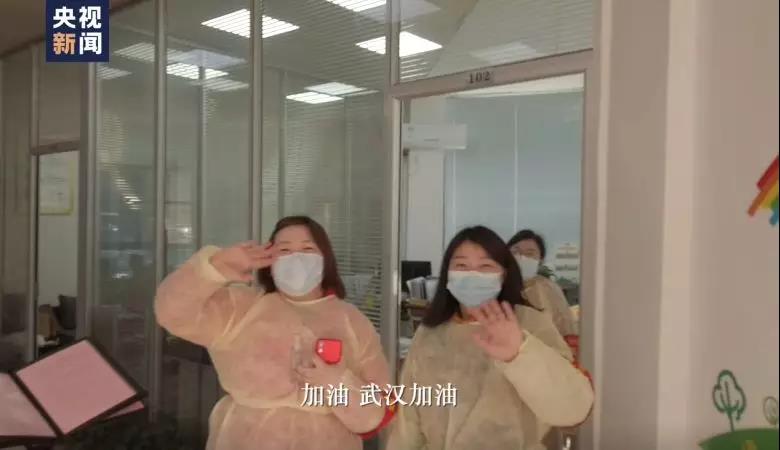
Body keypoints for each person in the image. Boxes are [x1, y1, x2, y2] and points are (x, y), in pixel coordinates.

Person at [155, 216, 393, 450]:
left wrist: (338, 384)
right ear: (269, 260)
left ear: (325, 259)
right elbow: (172, 312)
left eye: (308, 249)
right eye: (284, 250)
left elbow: (378, 414)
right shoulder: (240, 307)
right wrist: (216, 267)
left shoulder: (352, 321)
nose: (296, 258)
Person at [386, 226, 593, 450]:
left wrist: (520, 353)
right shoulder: (430, 332)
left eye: (485, 266)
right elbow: (409, 419)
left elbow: (573, 409)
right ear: (447, 273)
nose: (472, 274)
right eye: (461, 266)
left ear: (503, 274)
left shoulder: (531, 323)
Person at [508, 229, 579, 338]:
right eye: (515, 252)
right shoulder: (495, 286)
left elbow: (567, 329)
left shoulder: (550, 289)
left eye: (529, 254)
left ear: (541, 260)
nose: (521, 257)